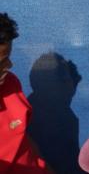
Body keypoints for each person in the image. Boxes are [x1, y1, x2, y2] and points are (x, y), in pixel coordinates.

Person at [0, 13, 50, 174]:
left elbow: (21, 138)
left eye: (8, 57)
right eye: (1, 62)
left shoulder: (10, 83)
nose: (10, 65)